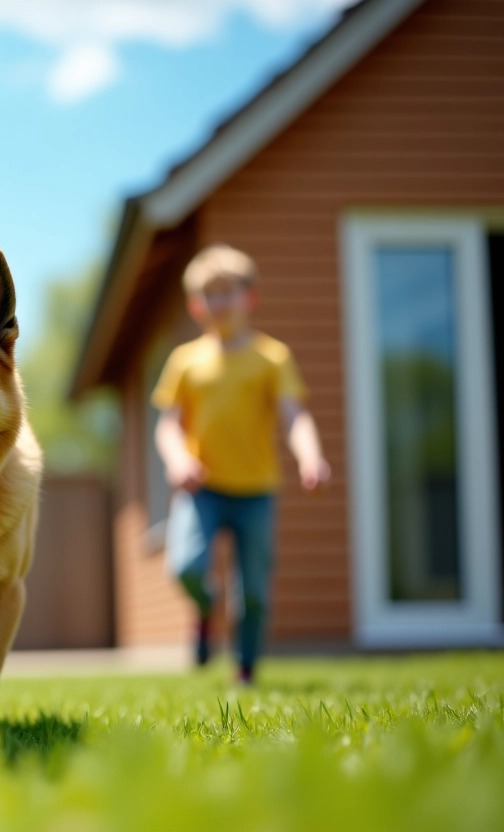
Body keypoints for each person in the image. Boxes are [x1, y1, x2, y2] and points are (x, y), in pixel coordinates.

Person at [152, 243, 330, 685]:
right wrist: (179, 460)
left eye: (229, 292)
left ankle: (245, 671)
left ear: (250, 297)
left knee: (252, 593)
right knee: (187, 568)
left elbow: (294, 415)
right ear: (197, 306)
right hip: (202, 488)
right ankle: (205, 610)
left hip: (256, 491)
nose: (220, 303)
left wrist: (310, 456)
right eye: (210, 295)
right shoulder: (186, 361)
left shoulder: (273, 358)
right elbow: (168, 425)